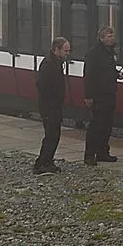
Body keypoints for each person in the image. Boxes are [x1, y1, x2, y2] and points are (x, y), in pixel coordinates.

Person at [83, 26, 123, 166]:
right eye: (108, 36)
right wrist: (88, 96)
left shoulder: (110, 52)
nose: (112, 38)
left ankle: (103, 152)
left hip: (110, 93)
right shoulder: (94, 53)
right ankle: (89, 155)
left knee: (107, 125)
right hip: (98, 94)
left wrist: (117, 74)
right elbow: (89, 75)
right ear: (101, 38)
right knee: (96, 125)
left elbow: (109, 70)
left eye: (112, 36)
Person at [34, 37, 71, 174]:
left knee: (54, 135)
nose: (68, 53)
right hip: (49, 106)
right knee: (51, 135)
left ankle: (47, 161)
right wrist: (52, 99)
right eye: (65, 50)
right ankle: (42, 163)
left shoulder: (55, 62)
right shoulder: (49, 64)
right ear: (56, 50)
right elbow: (41, 84)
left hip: (53, 106)